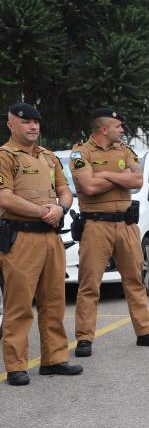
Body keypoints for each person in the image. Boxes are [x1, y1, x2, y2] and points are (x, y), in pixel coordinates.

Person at [70, 108, 149, 357]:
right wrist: (120, 176)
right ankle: (84, 338)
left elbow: (138, 181)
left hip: (126, 225)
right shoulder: (80, 153)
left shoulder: (125, 150)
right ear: (103, 129)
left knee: (135, 280)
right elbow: (89, 186)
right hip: (95, 226)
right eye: (118, 126)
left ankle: (144, 331)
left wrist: (103, 173)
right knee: (89, 284)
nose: (122, 130)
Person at [0, 103, 82, 385]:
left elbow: (64, 190)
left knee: (54, 302)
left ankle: (54, 359)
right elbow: (4, 197)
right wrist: (42, 212)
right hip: (21, 238)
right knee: (19, 305)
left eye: (36, 122)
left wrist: (61, 208)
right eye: (26, 123)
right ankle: (16, 366)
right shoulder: (5, 156)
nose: (33, 127)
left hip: (51, 238)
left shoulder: (48, 157)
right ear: (12, 125)